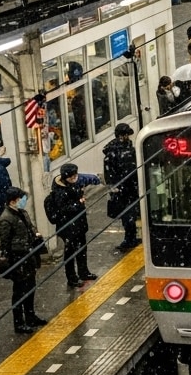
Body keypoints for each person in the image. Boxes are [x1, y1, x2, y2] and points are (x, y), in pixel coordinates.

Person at [0, 186, 46, 333]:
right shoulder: (6, 219)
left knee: (30, 287)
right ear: (13, 201)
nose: (24, 201)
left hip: (28, 256)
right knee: (19, 291)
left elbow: (30, 228)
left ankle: (30, 317)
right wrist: (10, 261)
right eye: (21, 199)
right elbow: (5, 244)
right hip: (18, 259)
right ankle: (19, 323)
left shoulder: (22, 213)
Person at [49, 162, 98, 288]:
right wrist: (78, 203)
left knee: (82, 248)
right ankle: (72, 278)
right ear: (66, 177)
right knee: (70, 253)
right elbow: (63, 209)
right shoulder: (59, 191)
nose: (75, 178)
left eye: (75, 175)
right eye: (72, 177)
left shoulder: (74, 182)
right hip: (68, 226)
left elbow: (86, 179)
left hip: (79, 224)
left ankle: (83, 272)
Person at [103, 123, 141, 251]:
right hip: (125, 189)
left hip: (127, 187)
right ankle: (130, 238)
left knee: (130, 214)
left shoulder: (119, 150)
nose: (128, 137)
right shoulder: (116, 152)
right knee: (128, 215)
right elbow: (111, 173)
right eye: (126, 135)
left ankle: (131, 237)